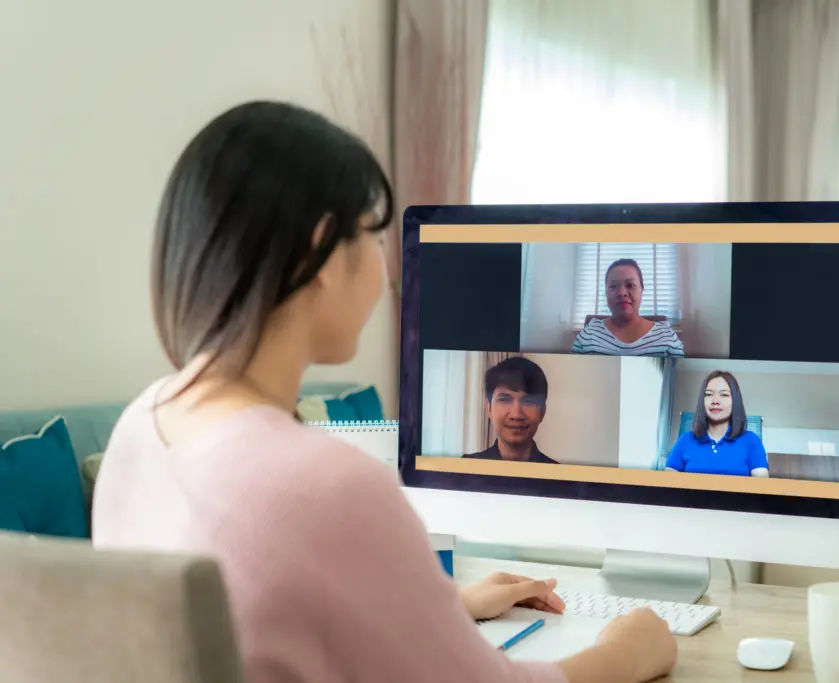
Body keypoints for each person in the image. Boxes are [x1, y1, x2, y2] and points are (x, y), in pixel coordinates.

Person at [90, 101, 676, 683]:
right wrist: (626, 653)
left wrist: (436, 608)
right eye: (373, 238)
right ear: (318, 252)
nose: (384, 268)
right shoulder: (329, 485)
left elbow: (255, 617)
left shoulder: (141, 424)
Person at [570, 258, 685, 357]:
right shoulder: (589, 333)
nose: (622, 293)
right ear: (606, 293)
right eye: (613, 286)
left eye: (630, 285)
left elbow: (680, 379)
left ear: (641, 290)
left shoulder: (666, 336)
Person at [664, 370, 770, 477]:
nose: (715, 401)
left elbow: (762, 487)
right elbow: (667, 484)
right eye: (709, 394)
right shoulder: (685, 441)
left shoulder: (751, 441)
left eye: (724, 395)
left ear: (735, 401)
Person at [463, 357, 558, 464]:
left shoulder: (561, 477)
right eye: (504, 400)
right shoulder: (463, 470)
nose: (516, 415)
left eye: (528, 401)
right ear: (489, 408)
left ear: (542, 411)